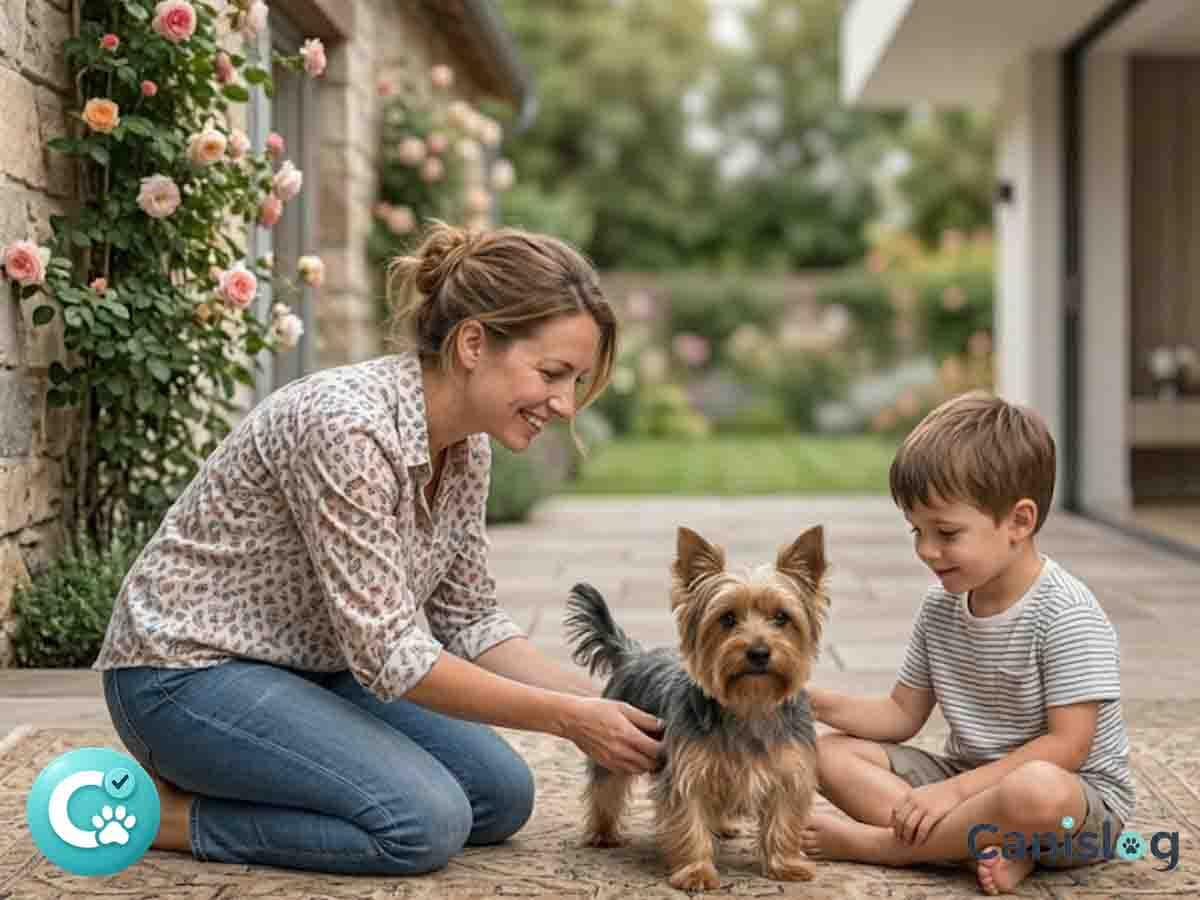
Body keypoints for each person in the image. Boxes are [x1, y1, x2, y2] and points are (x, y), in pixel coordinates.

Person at [95, 222, 664, 875]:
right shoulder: (346, 426)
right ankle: (167, 814)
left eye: (577, 381)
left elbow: (469, 621)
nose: (565, 404)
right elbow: (393, 654)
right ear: (473, 343)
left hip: (311, 668)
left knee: (499, 797)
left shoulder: (467, 443)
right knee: (422, 824)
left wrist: (614, 699)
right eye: (553, 373)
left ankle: (263, 773)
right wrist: (569, 719)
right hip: (184, 678)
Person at [799, 391, 1134, 896]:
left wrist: (953, 792)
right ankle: (983, 842)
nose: (926, 551)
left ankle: (885, 846)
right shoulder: (940, 607)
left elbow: (1067, 747)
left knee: (1033, 790)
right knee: (826, 755)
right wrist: (812, 702)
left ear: (1020, 522)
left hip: (1076, 811)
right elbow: (899, 715)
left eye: (947, 532)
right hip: (973, 781)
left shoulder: (1067, 613)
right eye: (917, 530)